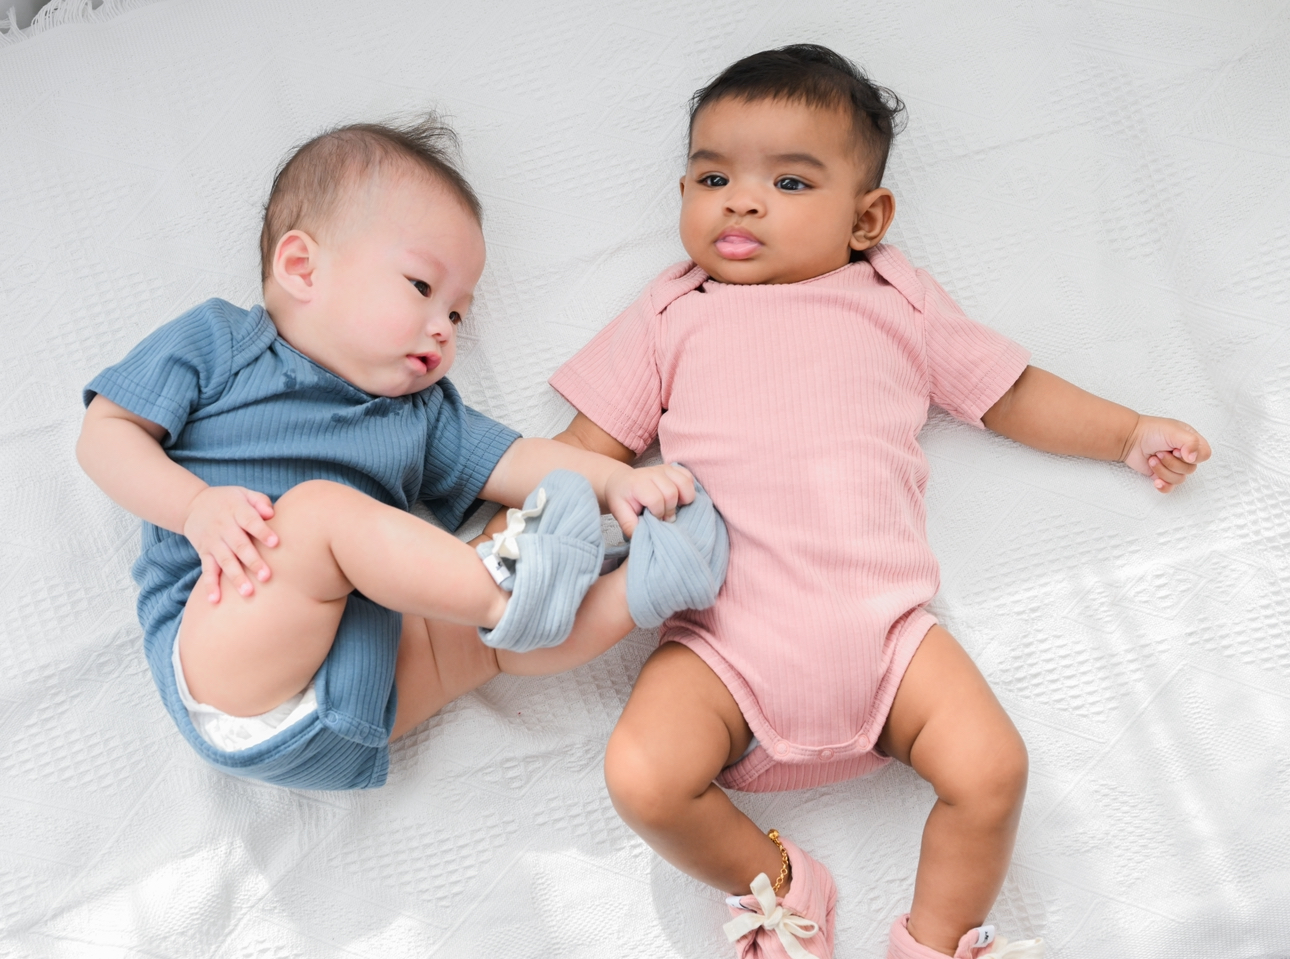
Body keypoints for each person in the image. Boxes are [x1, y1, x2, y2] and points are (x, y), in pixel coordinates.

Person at [535, 45, 1211, 958]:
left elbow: (1007, 392)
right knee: (644, 778)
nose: (740, 199)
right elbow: (586, 449)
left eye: (788, 180)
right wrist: (505, 535)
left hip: (887, 637)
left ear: (868, 217)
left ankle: (932, 940)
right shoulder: (669, 312)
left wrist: (1127, 431)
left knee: (992, 769)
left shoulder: (898, 300)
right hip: (720, 640)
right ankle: (778, 886)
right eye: (712, 174)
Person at [76, 117, 720, 791]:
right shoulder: (223, 343)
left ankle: (646, 588)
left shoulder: (420, 412)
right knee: (324, 516)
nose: (443, 328)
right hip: (224, 649)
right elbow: (105, 433)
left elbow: (518, 461)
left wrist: (619, 485)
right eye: (421, 287)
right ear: (302, 267)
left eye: (459, 314)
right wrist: (195, 506)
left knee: (483, 652)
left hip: (360, 705)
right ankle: (502, 596)